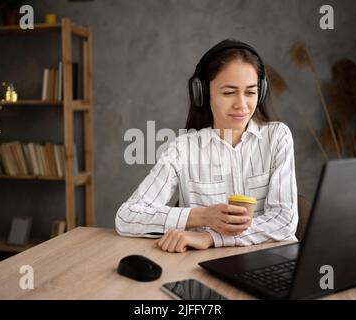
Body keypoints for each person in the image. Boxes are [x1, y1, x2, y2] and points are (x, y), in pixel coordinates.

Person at [115, 39, 298, 253]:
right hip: (204, 264)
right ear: (202, 93)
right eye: (229, 93)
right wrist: (202, 216)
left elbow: (285, 220)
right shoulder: (183, 149)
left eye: (250, 92)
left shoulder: (277, 136)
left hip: (271, 261)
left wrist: (211, 236)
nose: (242, 104)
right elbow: (127, 217)